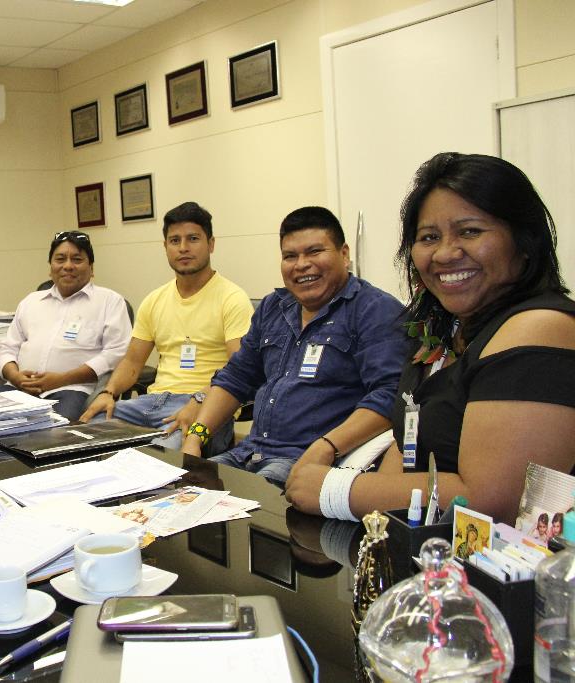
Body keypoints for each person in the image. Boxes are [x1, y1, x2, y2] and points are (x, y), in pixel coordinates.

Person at [285, 152, 575, 524]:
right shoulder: (444, 326)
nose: (445, 253)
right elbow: (408, 441)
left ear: (524, 241)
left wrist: (338, 491)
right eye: (429, 237)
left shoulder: (540, 327)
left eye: (470, 231)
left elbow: (492, 501)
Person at [181, 206, 406, 485]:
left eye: (314, 252)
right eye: (290, 256)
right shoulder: (273, 307)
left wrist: (326, 447)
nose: (301, 264)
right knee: (178, 489)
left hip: (309, 463)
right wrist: (195, 438)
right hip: (249, 453)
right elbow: (236, 377)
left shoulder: (374, 310)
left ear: (344, 254)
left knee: (238, 504)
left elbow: (391, 395)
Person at [79, 202, 254, 453]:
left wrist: (201, 399)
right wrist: (108, 392)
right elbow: (131, 362)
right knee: (85, 432)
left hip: (204, 405)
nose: (183, 248)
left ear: (211, 244)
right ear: (165, 247)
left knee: (162, 455)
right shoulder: (154, 299)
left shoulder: (232, 298)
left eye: (193, 238)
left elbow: (239, 370)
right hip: (151, 403)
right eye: (174, 240)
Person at [0, 231, 131, 421]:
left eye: (77, 259)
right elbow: (7, 348)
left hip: (71, 391)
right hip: (18, 388)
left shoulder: (109, 302)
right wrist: (16, 376)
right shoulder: (31, 302)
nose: (68, 266)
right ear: (50, 268)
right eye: (60, 259)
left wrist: (61, 379)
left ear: (91, 268)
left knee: (51, 438)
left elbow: (115, 353)